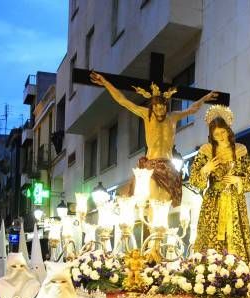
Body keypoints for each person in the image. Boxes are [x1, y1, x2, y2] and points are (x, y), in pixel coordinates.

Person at [90, 71, 216, 205]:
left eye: (162, 109)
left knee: (165, 203)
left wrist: (204, 98)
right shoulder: (147, 116)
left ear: (166, 107)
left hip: (168, 165)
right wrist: (105, 83)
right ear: (152, 108)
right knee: (150, 201)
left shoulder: (173, 117)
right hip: (151, 164)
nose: (159, 112)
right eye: (156, 109)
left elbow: (192, 109)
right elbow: (123, 101)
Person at [189, 106, 250, 258]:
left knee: (234, 232)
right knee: (211, 234)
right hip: (213, 201)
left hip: (234, 200)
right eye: (216, 134)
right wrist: (206, 168)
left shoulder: (240, 150)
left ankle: (237, 270)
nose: (220, 136)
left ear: (228, 131)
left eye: (223, 132)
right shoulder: (206, 150)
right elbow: (194, 178)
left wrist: (237, 180)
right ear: (211, 135)